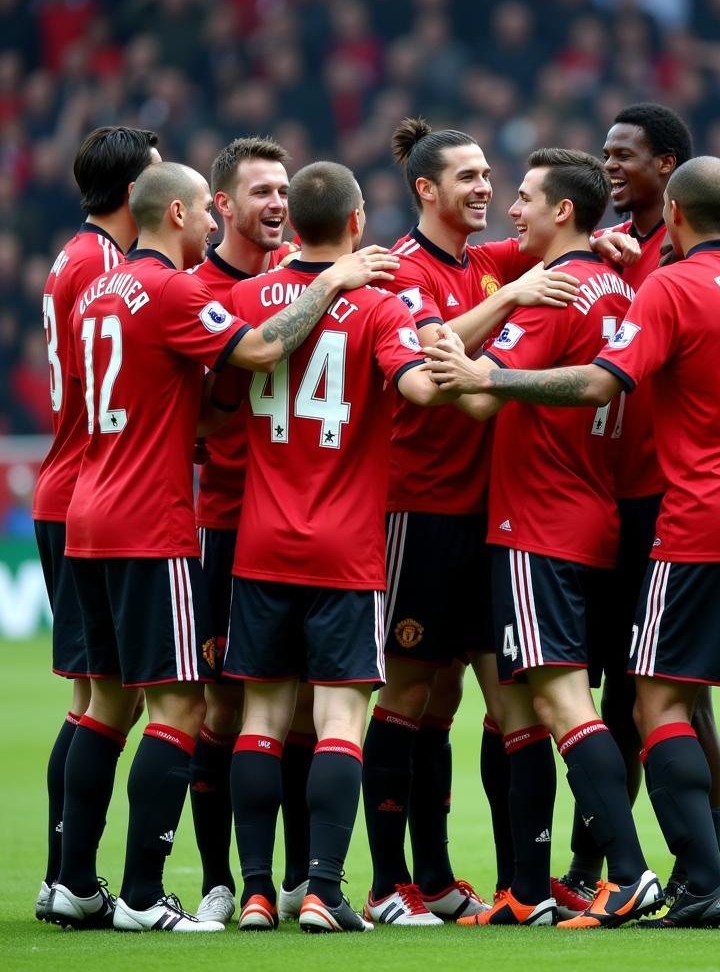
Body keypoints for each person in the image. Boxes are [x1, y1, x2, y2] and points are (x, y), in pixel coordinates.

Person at [425, 155, 720, 930]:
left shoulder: (672, 287)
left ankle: (698, 878)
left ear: (674, 215)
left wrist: (491, 380)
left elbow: (595, 382)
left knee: (655, 701)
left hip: (704, 521)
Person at [44, 161, 399, 932]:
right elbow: (263, 352)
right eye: (209, 210)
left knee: (103, 706)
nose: (216, 224)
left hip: (86, 512)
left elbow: (202, 409)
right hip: (152, 521)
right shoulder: (174, 291)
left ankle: (71, 880)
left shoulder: (99, 289)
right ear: (176, 212)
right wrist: (334, 283)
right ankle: (142, 895)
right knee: (179, 706)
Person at [363, 118, 636, 924]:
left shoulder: (492, 260)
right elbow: (432, 362)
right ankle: (396, 882)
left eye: (494, 178)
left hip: (497, 516)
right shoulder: (400, 270)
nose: (489, 191)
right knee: (414, 695)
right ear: (426, 190)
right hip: (420, 508)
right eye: (472, 178)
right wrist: (516, 295)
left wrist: (611, 243)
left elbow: (567, 241)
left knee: (509, 702)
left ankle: (520, 884)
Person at [214, 161, 452, 933]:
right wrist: (457, 361)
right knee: (340, 722)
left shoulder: (244, 300)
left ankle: (256, 893)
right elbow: (417, 390)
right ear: (356, 224)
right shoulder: (377, 305)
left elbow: (212, 402)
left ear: (298, 223)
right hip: (346, 550)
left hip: (259, 544)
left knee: (260, 720)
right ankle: (321, 888)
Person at [430, 147, 661, 931]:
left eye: (525, 198)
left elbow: (471, 401)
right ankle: (527, 889)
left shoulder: (552, 295)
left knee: (563, 702)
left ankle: (628, 876)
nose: (513, 209)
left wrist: (430, 338)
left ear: (564, 211)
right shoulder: (617, 287)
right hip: (592, 511)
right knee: (523, 706)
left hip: (537, 522)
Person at [561, 102, 720, 907]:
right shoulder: (603, 249)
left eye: (624, 153)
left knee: (666, 690)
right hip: (602, 491)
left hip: (667, 493)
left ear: (668, 166)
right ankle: (595, 869)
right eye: (604, 152)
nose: (609, 163)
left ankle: (702, 867)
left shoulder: (686, 253)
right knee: (612, 689)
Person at [31, 125, 159, 920]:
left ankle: (62, 877)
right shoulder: (108, 268)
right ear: (130, 192)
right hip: (95, 488)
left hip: (69, 487)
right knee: (113, 700)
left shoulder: (71, 257)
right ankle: (74, 880)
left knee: (93, 700)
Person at [188, 136, 305, 927]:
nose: (277, 204)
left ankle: (296, 879)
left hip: (298, 529)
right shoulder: (193, 289)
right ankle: (219, 878)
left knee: (295, 711)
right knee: (220, 712)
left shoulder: (309, 277)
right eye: (261, 191)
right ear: (221, 206)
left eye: (285, 190)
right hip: (226, 525)